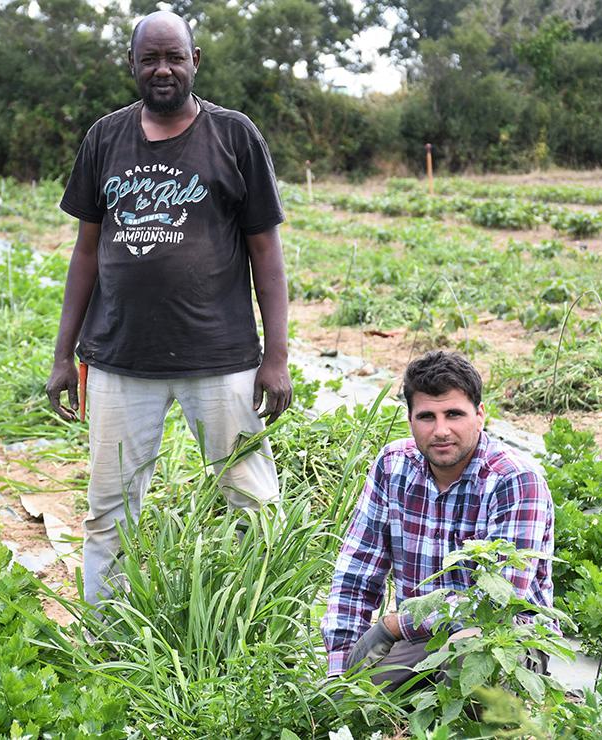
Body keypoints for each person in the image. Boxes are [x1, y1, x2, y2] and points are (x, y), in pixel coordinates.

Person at [45, 10, 292, 605]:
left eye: (173, 57)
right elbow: (84, 253)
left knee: (252, 500)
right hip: (119, 359)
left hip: (221, 356)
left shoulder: (233, 135)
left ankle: (260, 626)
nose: (162, 69)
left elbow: (267, 250)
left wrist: (277, 356)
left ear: (195, 60)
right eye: (150, 58)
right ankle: (109, 634)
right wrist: (61, 356)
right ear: (131, 64)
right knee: (110, 507)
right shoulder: (105, 137)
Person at [321, 351, 554, 691]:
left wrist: (394, 626)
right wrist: (339, 672)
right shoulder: (392, 465)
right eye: (427, 416)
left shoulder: (514, 479)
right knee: (361, 697)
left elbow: (499, 603)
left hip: (505, 638)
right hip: (422, 638)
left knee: (470, 663)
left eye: (454, 414)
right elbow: (356, 572)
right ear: (410, 419)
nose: (441, 430)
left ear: (480, 415)